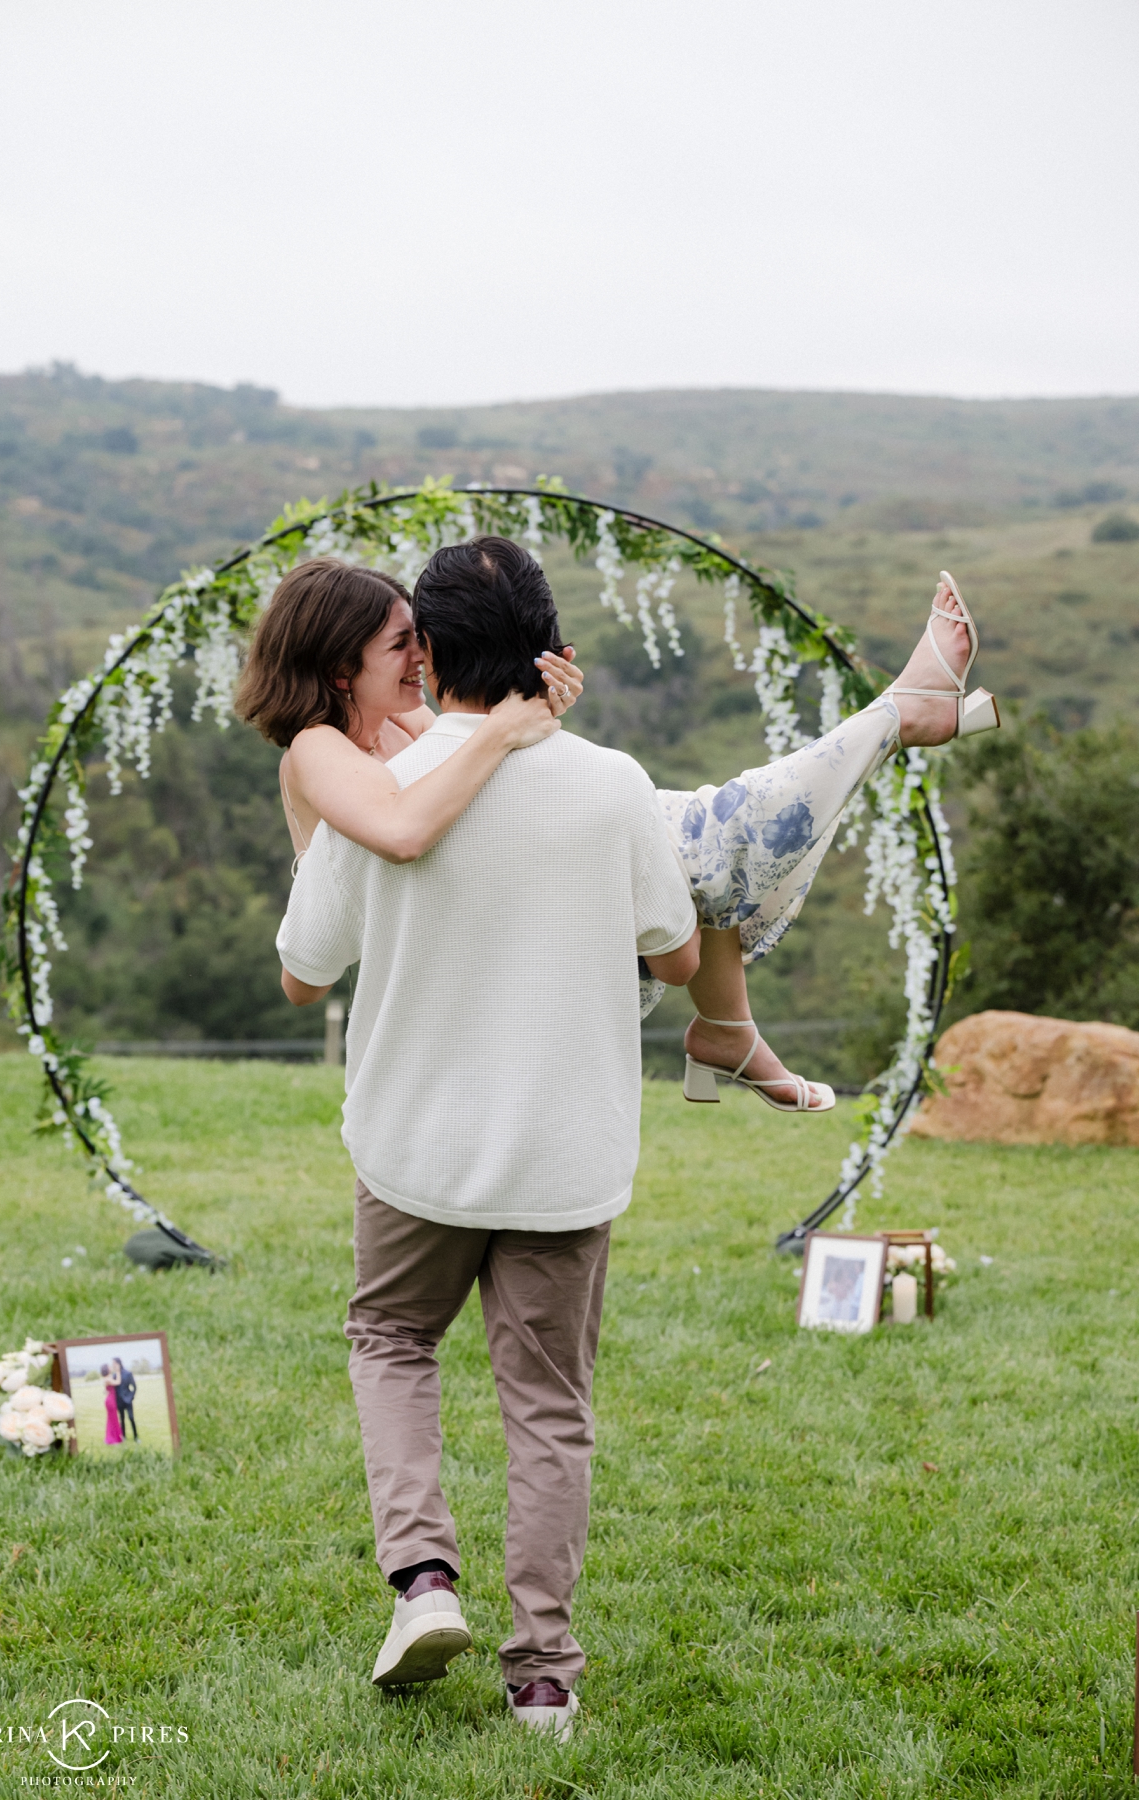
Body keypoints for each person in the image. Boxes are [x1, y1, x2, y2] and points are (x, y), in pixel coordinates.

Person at [273, 537, 702, 1739]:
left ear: (430, 656)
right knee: (549, 1408)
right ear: (550, 647)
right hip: (565, 1155)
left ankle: (422, 1584)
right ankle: (544, 1679)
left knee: (392, 1341)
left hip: (415, 1146)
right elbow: (673, 953)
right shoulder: (614, 782)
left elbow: (306, 973)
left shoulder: (382, 786)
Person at [243, 552, 994, 1116]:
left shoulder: (401, 719)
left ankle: (730, 1026)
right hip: (456, 937)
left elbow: (471, 759)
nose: (424, 656)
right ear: (344, 667)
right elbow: (405, 831)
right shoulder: (316, 749)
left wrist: (534, 705)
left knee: (694, 847)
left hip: (514, 897)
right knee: (707, 836)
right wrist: (508, 726)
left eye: (423, 639)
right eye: (404, 643)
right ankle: (896, 715)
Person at [113, 1357, 138, 1439]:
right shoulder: (114, 1375)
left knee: (131, 1418)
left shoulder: (128, 1373)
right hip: (119, 1401)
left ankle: (136, 1437)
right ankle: (123, 1436)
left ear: (118, 1363)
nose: (113, 1365)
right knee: (122, 1419)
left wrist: (131, 1397)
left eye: (114, 1363)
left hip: (128, 1400)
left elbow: (134, 1387)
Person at [102, 1364, 123, 1446]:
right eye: (109, 1367)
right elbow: (118, 1382)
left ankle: (114, 1437)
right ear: (107, 1370)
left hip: (110, 1400)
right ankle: (112, 1439)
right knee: (113, 1419)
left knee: (112, 1419)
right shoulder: (108, 1379)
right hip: (110, 1401)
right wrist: (118, 1372)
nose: (110, 1368)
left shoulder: (108, 1377)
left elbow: (105, 1390)